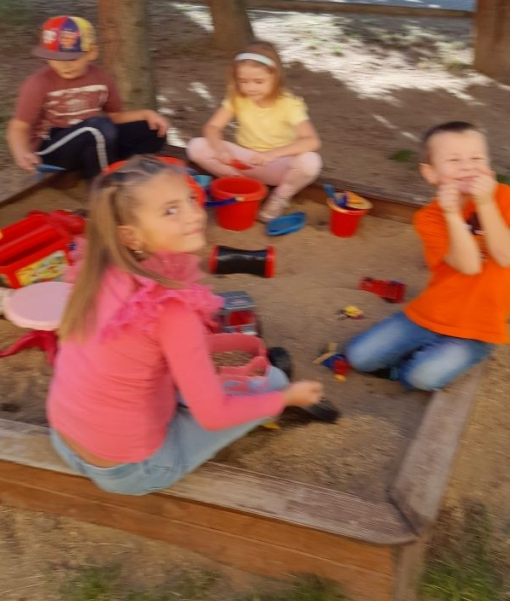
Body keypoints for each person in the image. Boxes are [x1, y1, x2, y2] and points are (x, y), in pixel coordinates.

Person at [47, 155, 324, 496]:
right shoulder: (171, 310)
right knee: (275, 383)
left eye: (190, 199)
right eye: (170, 210)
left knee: (165, 384)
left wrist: (217, 345)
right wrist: (287, 398)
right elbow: (213, 415)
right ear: (130, 236)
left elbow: (143, 349)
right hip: (131, 470)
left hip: (64, 437)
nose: (194, 214)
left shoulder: (98, 270)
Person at [345, 122, 510, 391]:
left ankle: (411, 365)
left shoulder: (505, 197)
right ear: (430, 173)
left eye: (476, 159)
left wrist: (485, 203)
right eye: (454, 160)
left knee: (421, 377)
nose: (467, 167)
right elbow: (469, 265)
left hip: (479, 327)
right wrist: (452, 214)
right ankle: (418, 357)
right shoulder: (429, 218)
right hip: (432, 312)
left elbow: (506, 256)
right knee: (358, 357)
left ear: (489, 166)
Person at [7, 15, 168, 179]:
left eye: (72, 58)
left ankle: (110, 166)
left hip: (93, 137)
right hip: (53, 147)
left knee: (152, 131)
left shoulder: (101, 79)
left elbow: (115, 117)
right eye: (54, 58)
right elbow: (19, 127)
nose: (64, 65)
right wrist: (22, 152)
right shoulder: (38, 83)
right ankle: (103, 184)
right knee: (98, 128)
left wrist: (146, 114)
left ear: (91, 53)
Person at [187, 40, 322, 223]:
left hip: (275, 164)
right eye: (243, 81)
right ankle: (240, 183)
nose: (250, 87)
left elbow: (312, 140)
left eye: (259, 81)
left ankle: (279, 197)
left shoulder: (289, 104)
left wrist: (273, 154)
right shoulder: (237, 98)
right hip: (244, 161)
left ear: (275, 77)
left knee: (310, 161)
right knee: (196, 146)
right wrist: (220, 149)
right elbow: (212, 127)